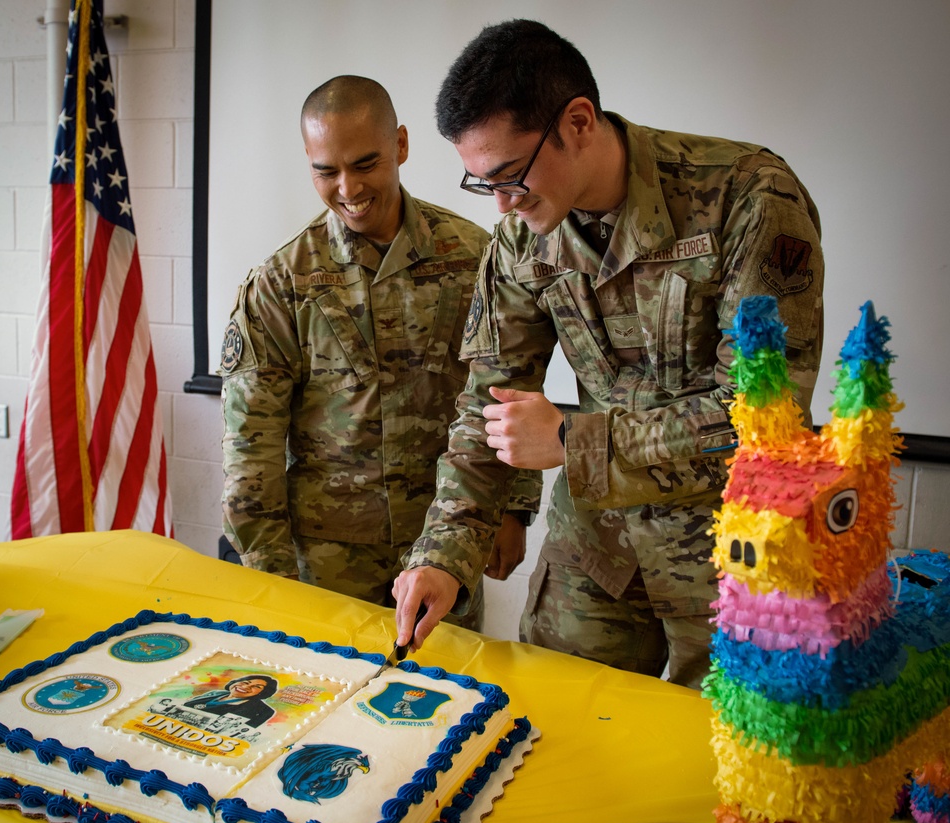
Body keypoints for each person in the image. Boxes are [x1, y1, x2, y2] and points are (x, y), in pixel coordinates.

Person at [393, 20, 824, 687]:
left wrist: (573, 441)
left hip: (731, 561)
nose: (503, 205)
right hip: (595, 557)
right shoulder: (521, 240)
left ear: (579, 121)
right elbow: (487, 408)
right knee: (550, 736)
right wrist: (444, 554)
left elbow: (761, 417)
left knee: (719, 770)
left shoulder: (747, 196)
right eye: (483, 184)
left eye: (510, 176)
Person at [219, 76, 540, 631]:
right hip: (324, 565)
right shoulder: (282, 283)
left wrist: (513, 509)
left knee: (447, 705)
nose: (347, 187)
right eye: (327, 170)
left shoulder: (473, 256)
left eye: (365, 163)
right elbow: (252, 453)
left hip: (442, 548)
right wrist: (270, 584)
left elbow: (510, 385)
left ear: (401, 146)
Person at [184, 674, 278, 728]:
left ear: (264, 692)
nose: (245, 687)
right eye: (245, 682)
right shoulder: (214, 693)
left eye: (257, 687)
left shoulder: (263, 711)